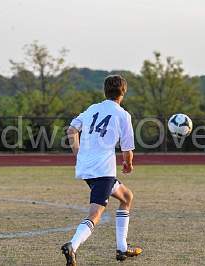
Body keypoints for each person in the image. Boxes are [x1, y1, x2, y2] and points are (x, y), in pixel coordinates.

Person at [61, 75, 142, 265]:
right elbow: (127, 149)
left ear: (105, 91)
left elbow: (71, 130)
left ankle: (122, 248)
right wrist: (128, 165)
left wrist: (79, 154)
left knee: (126, 197)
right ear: (124, 92)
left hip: (88, 167)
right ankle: (72, 245)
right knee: (95, 215)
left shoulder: (92, 109)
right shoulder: (123, 114)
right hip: (103, 170)